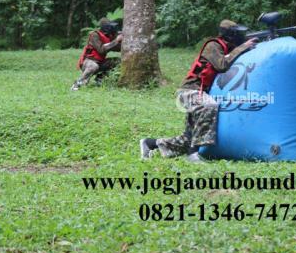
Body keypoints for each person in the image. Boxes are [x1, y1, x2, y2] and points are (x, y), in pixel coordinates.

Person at [140, 20, 258, 163]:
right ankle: (193, 154)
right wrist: (243, 47)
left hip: (198, 91)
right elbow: (222, 65)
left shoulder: (226, 48)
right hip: (189, 90)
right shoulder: (213, 45)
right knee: (209, 105)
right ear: (230, 35)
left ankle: (150, 143)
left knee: (188, 138)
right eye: (238, 33)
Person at [71, 18, 123, 91]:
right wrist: (116, 40)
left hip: (100, 62)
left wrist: (123, 41)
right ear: (105, 27)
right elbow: (101, 50)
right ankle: (78, 83)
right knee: (94, 66)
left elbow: (117, 48)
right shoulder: (94, 35)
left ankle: (99, 79)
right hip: (88, 62)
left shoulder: (108, 36)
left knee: (118, 61)